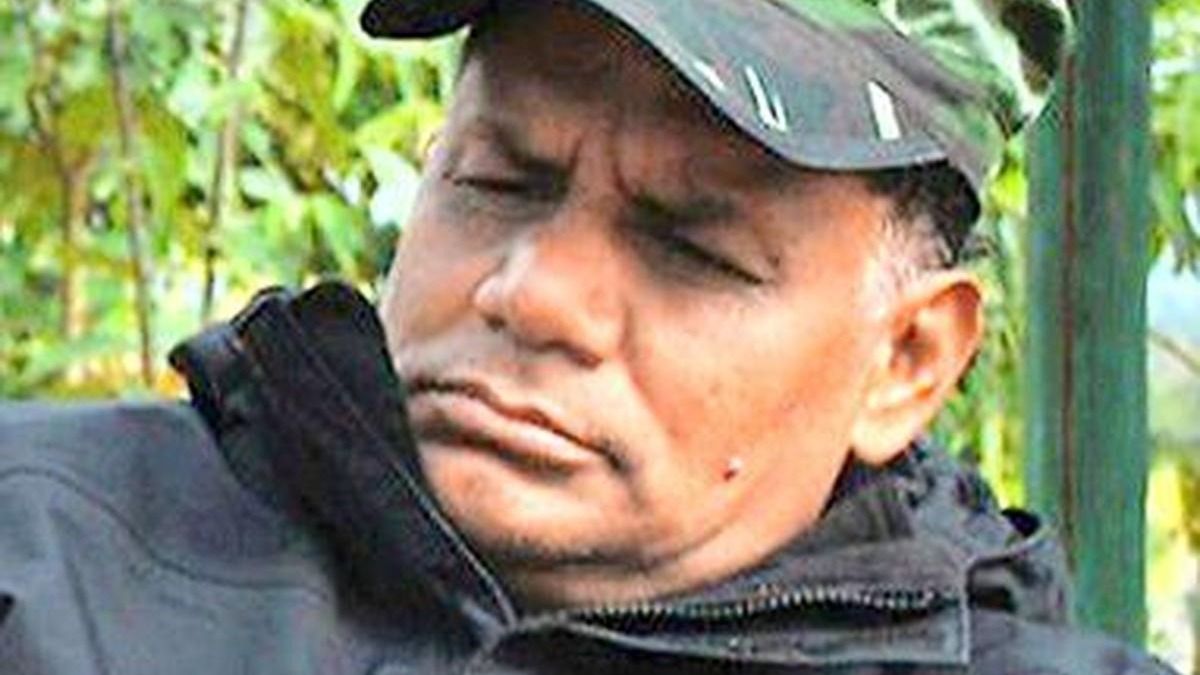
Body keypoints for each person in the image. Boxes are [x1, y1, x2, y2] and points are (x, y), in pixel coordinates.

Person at [0, 0, 1179, 673]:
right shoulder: (44, 559)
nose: (537, 295)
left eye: (691, 248)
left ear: (906, 363)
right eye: (500, 181)